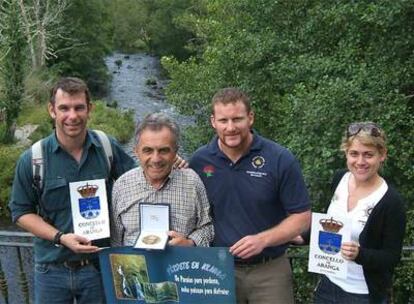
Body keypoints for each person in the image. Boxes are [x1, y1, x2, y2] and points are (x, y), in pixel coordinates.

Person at [8, 77, 137, 304]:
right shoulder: (33, 159)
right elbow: (20, 212)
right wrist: (61, 237)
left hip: (99, 267)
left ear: (90, 109)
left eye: (79, 107)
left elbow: (140, 181)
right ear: (52, 111)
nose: (72, 116)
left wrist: (169, 159)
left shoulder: (107, 147)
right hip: (52, 270)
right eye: (64, 108)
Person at [189, 88, 311, 303]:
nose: (230, 127)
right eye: (223, 120)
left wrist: (262, 240)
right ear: (213, 122)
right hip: (217, 268)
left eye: (237, 119)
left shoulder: (279, 158)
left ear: (250, 118)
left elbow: (302, 217)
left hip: (270, 271)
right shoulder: (199, 160)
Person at [311, 122, 406, 303]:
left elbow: (392, 257)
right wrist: (300, 235)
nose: (360, 162)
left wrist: (360, 254)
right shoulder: (339, 179)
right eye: (354, 154)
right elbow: (329, 225)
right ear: (346, 153)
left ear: (382, 155)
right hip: (328, 284)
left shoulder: (391, 201)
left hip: (362, 293)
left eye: (368, 155)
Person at [111, 113, 214, 247]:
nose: (156, 159)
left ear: (175, 151)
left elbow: (207, 228)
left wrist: (191, 243)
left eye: (163, 151)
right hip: (136, 267)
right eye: (148, 150)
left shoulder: (191, 182)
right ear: (136, 151)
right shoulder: (122, 185)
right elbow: (115, 241)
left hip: (181, 265)